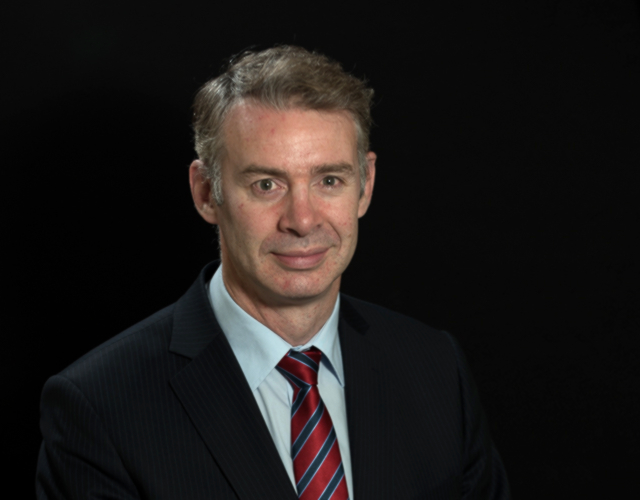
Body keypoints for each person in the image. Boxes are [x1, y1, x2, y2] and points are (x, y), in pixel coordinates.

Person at [36, 45, 510, 500]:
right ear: (206, 193)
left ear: (365, 186)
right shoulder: (101, 406)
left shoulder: (435, 368)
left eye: (329, 180)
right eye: (267, 184)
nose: (302, 220)